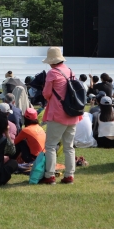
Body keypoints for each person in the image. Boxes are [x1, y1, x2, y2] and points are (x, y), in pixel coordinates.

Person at [40, 47, 81, 185]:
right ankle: (70, 175)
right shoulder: (70, 71)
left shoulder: (52, 73)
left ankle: (50, 175)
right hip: (72, 113)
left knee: (51, 145)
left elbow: (46, 93)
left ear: (51, 61)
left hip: (58, 113)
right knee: (69, 146)